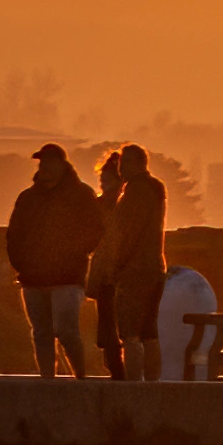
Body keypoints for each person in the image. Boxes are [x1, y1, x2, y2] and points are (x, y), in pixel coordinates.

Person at [4, 143, 104, 379]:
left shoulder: (81, 195)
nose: (44, 166)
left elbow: (95, 230)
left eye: (49, 161)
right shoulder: (27, 198)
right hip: (32, 279)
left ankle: (80, 377)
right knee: (41, 333)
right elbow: (14, 234)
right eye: (41, 162)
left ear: (62, 164)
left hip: (67, 278)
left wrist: (74, 254)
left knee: (66, 331)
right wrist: (20, 264)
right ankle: (47, 381)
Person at [107, 143, 170, 381]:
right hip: (156, 266)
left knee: (130, 333)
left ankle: (134, 386)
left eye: (122, 163)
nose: (120, 170)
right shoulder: (156, 189)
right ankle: (153, 384)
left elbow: (128, 232)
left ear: (133, 163)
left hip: (135, 269)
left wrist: (117, 265)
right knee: (149, 333)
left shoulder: (136, 191)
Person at [84, 149, 129, 380]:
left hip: (113, 274)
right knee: (111, 328)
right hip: (108, 274)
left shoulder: (112, 206)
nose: (103, 182)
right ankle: (117, 370)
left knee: (113, 328)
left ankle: (117, 370)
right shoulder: (115, 205)